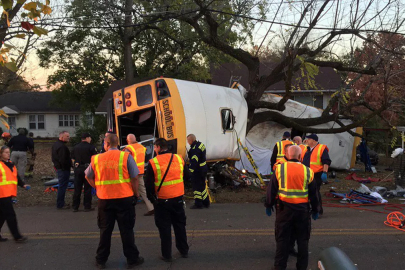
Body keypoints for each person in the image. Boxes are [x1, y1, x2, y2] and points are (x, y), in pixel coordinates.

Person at [85, 134, 144, 269]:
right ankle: (132, 259)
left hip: (105, 200)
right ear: (117, 143)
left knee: (105, 231)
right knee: (127, 230)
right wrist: (136, 193)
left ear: (106, 144)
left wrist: (98, 187)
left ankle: (101, 260)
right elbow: (135, 177)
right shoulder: (125, 156)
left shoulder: (97, 158)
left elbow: (87, 176)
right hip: (124, 199)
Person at [265, 145, 319, 270]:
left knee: (282, 240)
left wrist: (268, 204)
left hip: (284, 210)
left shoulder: (279, 169)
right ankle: (301, 267)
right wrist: (316, 209)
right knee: (302, 241)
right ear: (300, 157)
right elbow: (314, 194)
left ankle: (279, 267)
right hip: (302, 211)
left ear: (287, 156)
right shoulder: (308, 171)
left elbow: (271, 190)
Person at [145, 138, 189, 262]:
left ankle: (167, 255)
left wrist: (152, 199)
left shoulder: (153, 162)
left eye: (154, 147)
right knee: (180, 225)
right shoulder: (179, 158)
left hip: (162, 201)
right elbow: (186, 176)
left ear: (158, 147)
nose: (154, 149)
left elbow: (148, 184)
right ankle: (184, 250)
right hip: (178, 198)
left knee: (164, 228)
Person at [0, 146, 31, 243]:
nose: (8, 154)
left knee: (2, 215)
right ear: (0, 154)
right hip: (2, 194)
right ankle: (17, 236)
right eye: (5, 152)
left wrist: (23, 185)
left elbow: (15, 177)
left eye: (9, 152)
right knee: (10, 215)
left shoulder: (11, 164)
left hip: (8, 194)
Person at [124, 134, 154, 216]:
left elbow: (125, 160)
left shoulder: (129, 148)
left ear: (128, 140)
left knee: (129, 190)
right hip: (140, 171)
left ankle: (152, 207)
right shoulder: (141, 147)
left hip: (132, 173)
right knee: (142, 190)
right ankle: (152, 207)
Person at [302, 134, 331, 215]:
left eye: (309, 139)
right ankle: (309, 209)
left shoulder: (321, 148)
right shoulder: (306, 149)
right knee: (307, 193)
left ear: (314, 140)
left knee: (315, 192)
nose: (307, 140)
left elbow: (326, 161)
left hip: (316, 174)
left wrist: (324, 172)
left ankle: (318, 210)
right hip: (306, 174)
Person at [71, 133, 98, 212]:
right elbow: (95, 158)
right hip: (88, 168)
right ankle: (87, 206)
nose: (91, 139)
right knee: (87, 188)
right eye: (90, 138)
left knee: (77, 188)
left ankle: (75, 206)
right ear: (87, 138)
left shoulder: (75, 147)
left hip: (78, 169)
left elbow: (72, 157)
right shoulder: (91, 147)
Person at [187, 134, 209, 209]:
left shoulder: (194, 149)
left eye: (188, 141)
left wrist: (190, 172)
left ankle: (198, 203)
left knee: (196, 188)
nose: (187, 142)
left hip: (197, 170)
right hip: (204, 169)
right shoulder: (200, 145)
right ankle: (206, 202)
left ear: (191, 140)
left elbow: (194, 161)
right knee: (202, 186)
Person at [51, 131, 71, 210]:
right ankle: (60, 204)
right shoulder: (62, 147)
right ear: (62, 137)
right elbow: (63, 159)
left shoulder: (56, 145)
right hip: (63, 169)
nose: (69, 138)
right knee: (62, 186)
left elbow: (54, 157)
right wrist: (67, 166)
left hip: (59, 168)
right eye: (67, 136)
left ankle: (61, 203)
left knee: (61, 185)